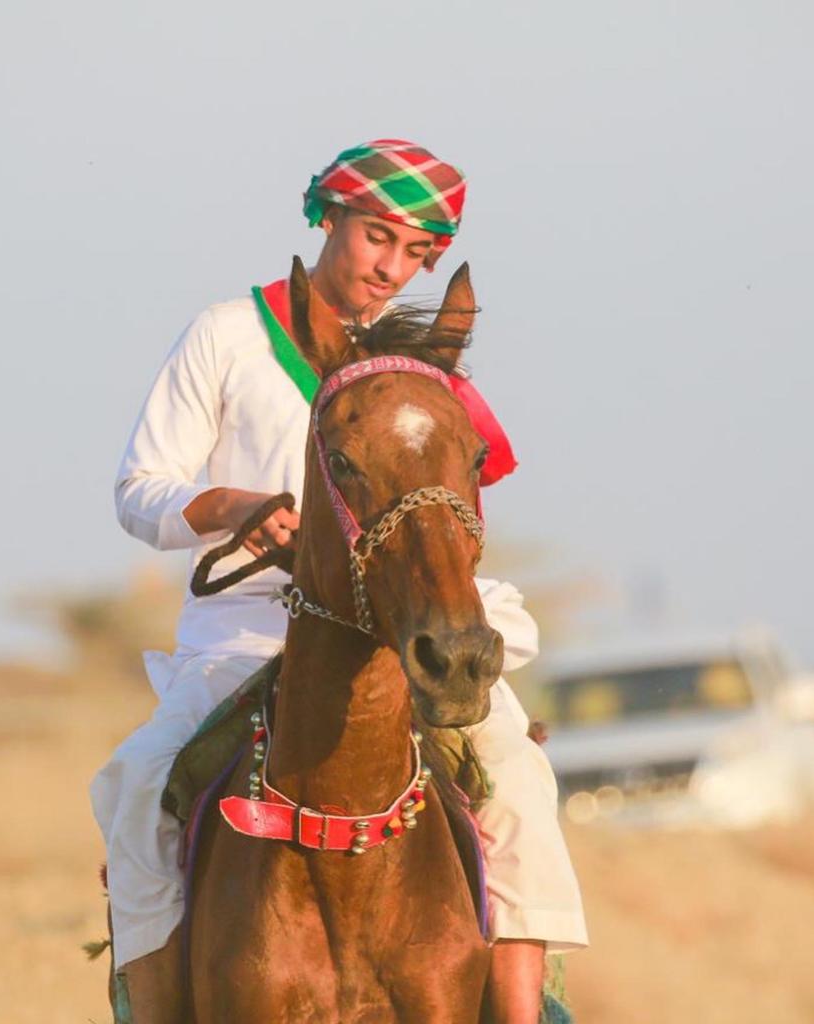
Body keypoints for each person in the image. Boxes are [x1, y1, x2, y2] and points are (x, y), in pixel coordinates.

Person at [91, 139, 588, 1024]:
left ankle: (525, 1012)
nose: (390, 268)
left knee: (518, 776)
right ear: (328, 218)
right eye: (376, 237)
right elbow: (140, 491)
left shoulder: (418, 366)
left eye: (416, 253)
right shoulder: (228, 335)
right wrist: (235, 506)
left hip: (399, 629)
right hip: (245, 629)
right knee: (136, 785)